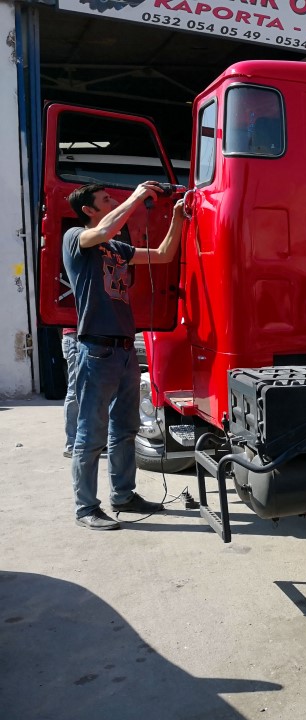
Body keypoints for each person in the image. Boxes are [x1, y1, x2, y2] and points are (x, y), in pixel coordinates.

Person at [64, 181, 185, 530]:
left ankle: (123, 495)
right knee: (91, 434)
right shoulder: (76, 237)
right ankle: (85, 508)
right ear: (89, 209)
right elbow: (103, 229)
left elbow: (163, 254)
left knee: (126, 428)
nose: (112, 201)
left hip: (124, 348)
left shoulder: (115, 247)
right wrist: (136, 196)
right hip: (96, 349)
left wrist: (177, 217)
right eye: (105, 200)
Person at [61, 327, 78, 458]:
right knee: (74, 391)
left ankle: (88, 441)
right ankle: (71, 444)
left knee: (89, 392)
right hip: (74, 337)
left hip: (85, 336)